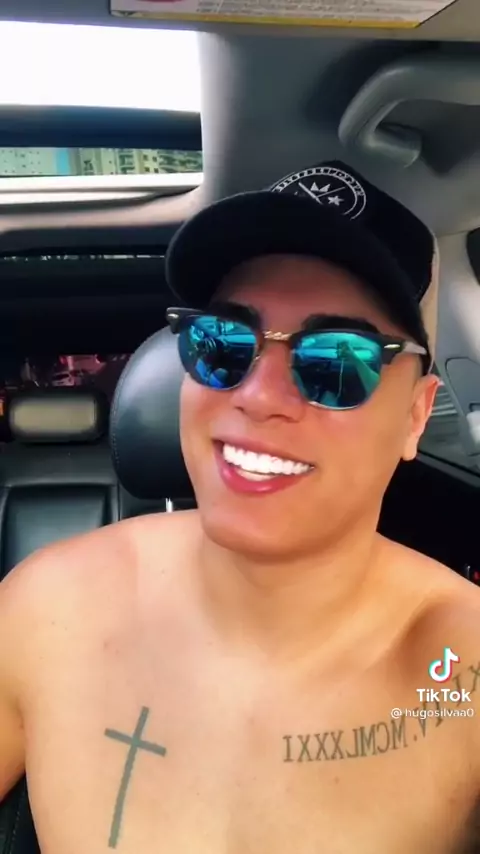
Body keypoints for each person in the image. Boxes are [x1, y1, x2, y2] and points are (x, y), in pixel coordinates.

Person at [1, 159, 480, 854]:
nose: (257, 396)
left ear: (415, 415)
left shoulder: (457, 675)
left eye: (336, 361)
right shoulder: (51, 608)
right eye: (222, 345)